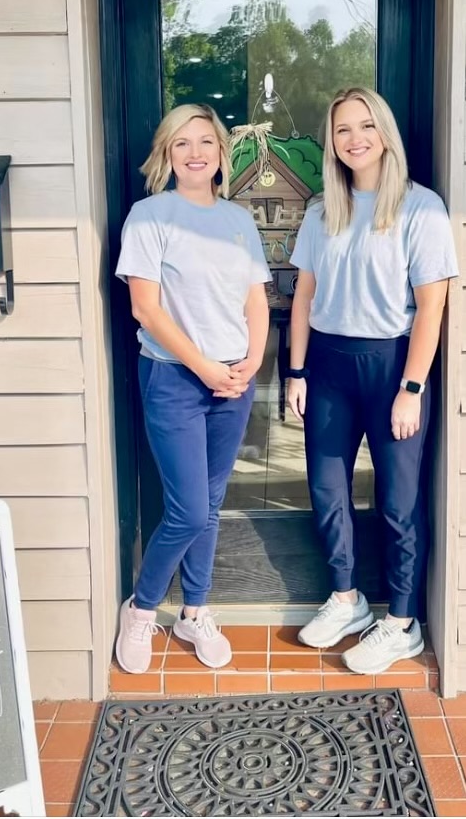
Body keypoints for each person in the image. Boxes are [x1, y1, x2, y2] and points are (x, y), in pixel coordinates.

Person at [287, 86, 458, 675]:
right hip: (329, 366)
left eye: (364, 126)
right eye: (342, 130)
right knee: (327, 489)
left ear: (384, 133)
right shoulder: (319, 211)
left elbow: (432, 306)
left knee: (397, 499)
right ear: (331, 142)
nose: (354, 139)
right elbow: (304, 294)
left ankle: (403, 621)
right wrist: (297, 370)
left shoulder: (421, 208)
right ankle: (346, 599)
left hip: (391, 366)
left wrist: (412, 387)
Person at [114, 103, 271, 674]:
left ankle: (195, 611)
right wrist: (205, 367)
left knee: (208, 505)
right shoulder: (149, 216)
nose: (196, 152)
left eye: (206, 141)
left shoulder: (238, 220)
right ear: (167, 154)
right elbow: (145, 309)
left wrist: (251, 362)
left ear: (221, 153)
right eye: (182, 143)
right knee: (186, 510)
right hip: (176, 378)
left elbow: (256, 298)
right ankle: (142, 609)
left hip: (233, 380)